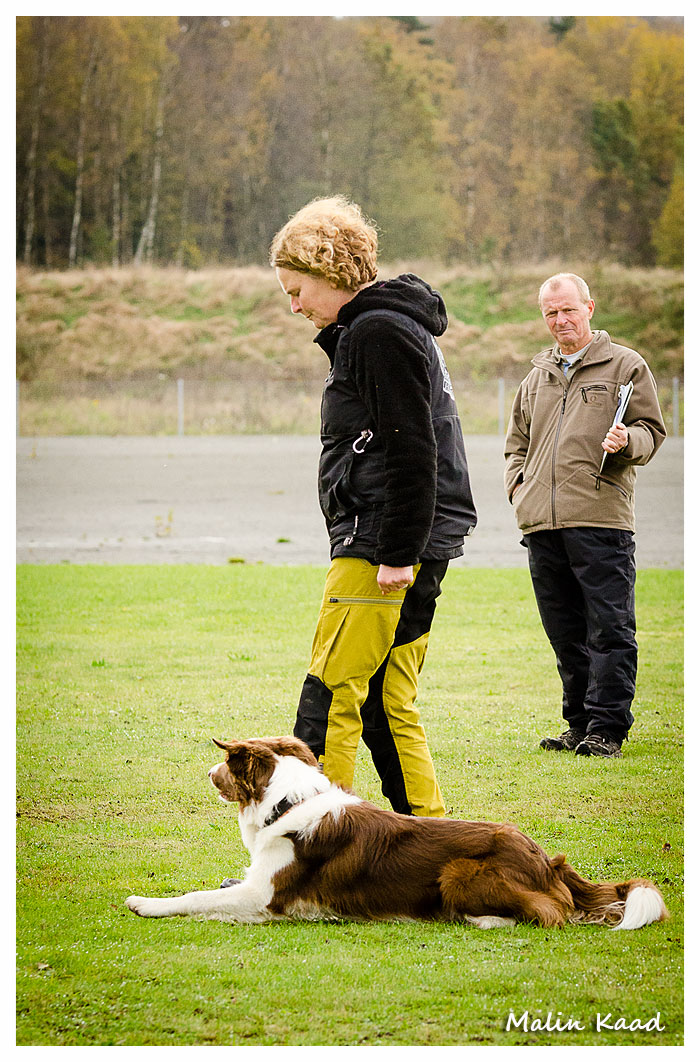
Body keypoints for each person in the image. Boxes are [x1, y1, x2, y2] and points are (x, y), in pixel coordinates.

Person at [269, 196, 477, 815]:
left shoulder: (377, 331)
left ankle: (313, 844)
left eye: (297, 290)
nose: (294, 305)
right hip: (414, 536)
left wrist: (396, 552)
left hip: (381, 541)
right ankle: (430, 840)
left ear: (329, 271)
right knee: (388, 701)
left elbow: (412, 447)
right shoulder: (392, 326)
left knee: (332, 693)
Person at [504, 273, 666, 758]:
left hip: (601, 519)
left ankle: (607, 729)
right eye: (551, 313)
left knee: (609, 629)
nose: (560, 320)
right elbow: (516, 444)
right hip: (541, 524)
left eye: (568, 310)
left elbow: (652, 430)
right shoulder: (536, 377)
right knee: (565, 632)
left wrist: (629, 439)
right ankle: (578, 724)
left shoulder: (626, 366)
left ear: (589, 308)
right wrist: (519, 488)